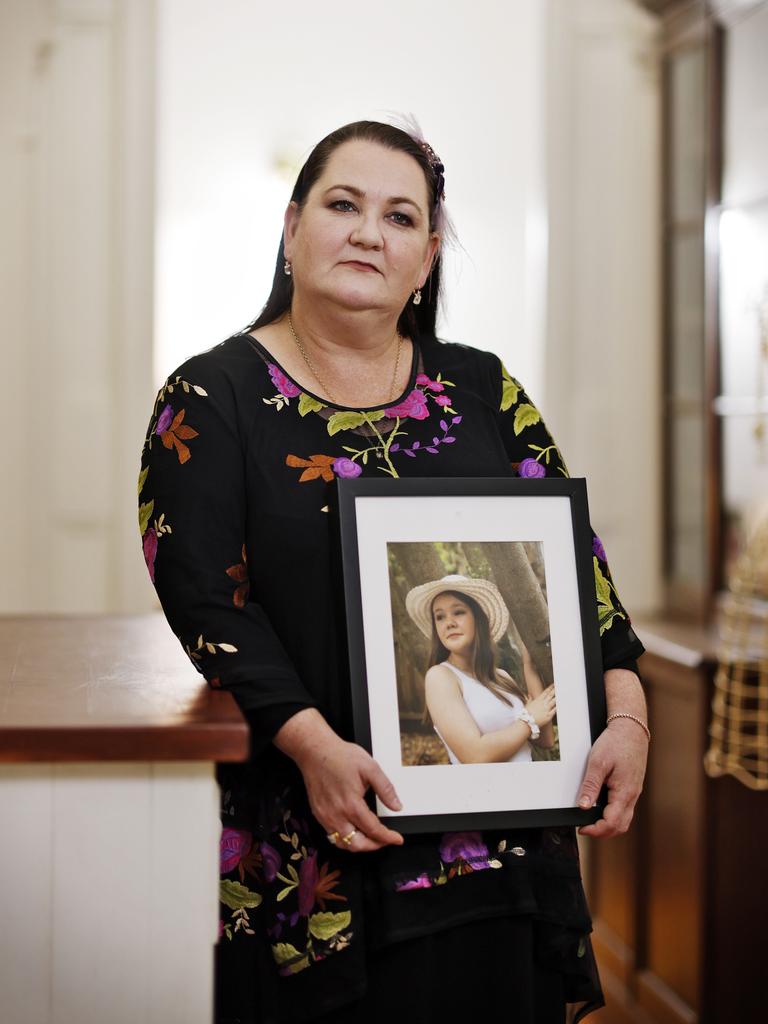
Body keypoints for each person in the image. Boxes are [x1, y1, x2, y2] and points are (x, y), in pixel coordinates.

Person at [138, 119, 649, 1023]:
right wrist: (314, 747)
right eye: (343, 204)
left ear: (426, 257)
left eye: (400, 217)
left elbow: (579, 568)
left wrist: (631, 718)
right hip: (322, 831)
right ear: (293, 228)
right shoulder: (210, 397)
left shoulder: (484, 388)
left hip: (502, 851)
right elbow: (206, 603)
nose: (370, 232)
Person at [405, 574, 556, 764]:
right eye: (440, 617)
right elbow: (474, 755)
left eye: (458, 612)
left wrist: (529, 668)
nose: (449, 622)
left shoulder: (502, 678)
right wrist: (529, 720)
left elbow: (546, 739)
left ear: (479, 618)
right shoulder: (440, 677)